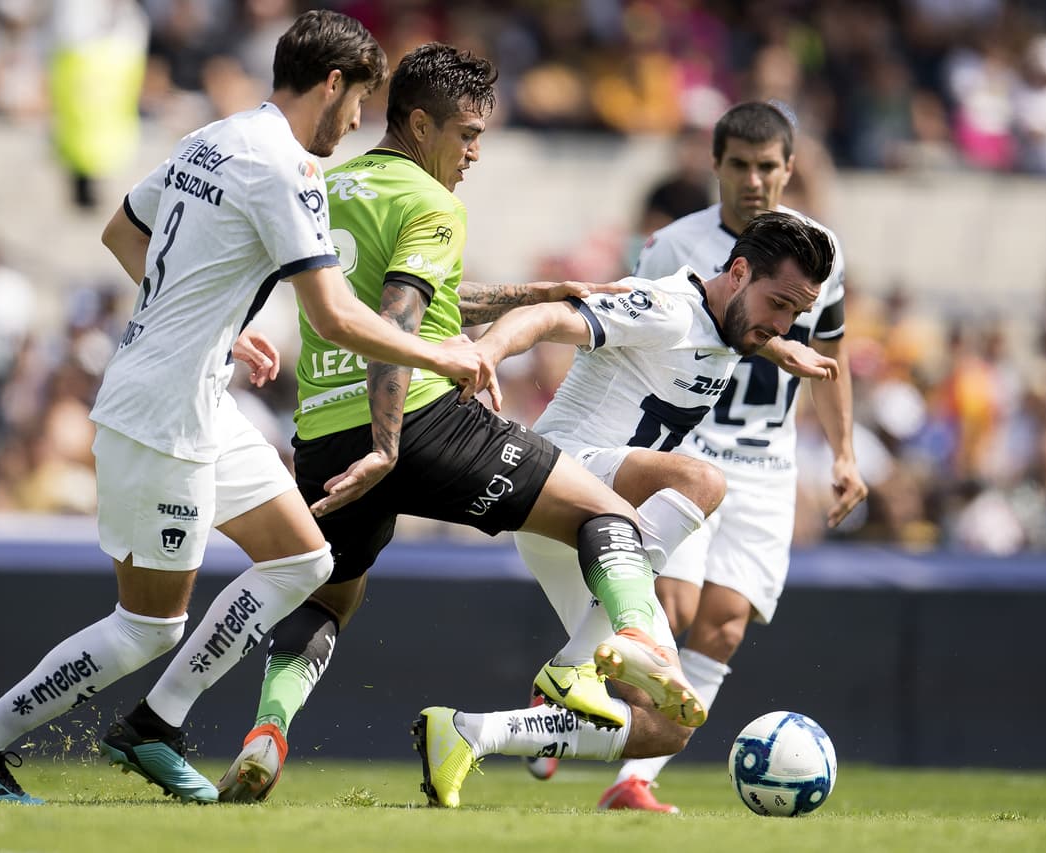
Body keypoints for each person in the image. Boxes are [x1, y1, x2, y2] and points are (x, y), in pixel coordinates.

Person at [0, 10, 498, 806]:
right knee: (148, 627)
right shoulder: (288, 168)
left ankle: (154, 727)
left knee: (305, 560)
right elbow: (335, 317)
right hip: (163, 412)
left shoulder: (213, 137)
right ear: (332, 85)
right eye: (359, 101)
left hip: (193, 390)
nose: (358, 121)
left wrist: (213, 325)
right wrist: (444, 354)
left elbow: (123, 234)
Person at [211, 42, 748, 806]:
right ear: (419, 124)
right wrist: (388, 444)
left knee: (328, 600)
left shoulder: (327, 187)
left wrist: (540, 290)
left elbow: (420, 300)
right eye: (466, 135)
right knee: (608, 513)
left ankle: (267, 732)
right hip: (418, 420)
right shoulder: (433, 203)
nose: (473, 154)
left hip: (323, 432)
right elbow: (400, 315)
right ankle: (617, 646)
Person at [414, 209, 838, 808]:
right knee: (702, 480)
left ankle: (468, 734)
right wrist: (489, 350)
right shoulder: (666, 307)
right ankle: (575, 664)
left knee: (669, 725)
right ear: (739, 272)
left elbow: (731, 331)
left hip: (593, 533)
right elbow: (548, 316)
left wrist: (782, 351)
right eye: (779, 305)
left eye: (796, 314)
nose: (783, 323)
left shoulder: (731, 325)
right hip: (560, 479)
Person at [548, 101, 867, 812]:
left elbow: (832, 352)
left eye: (767, 167)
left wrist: (843, 452)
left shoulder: (822, 253)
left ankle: (631, 777)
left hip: (768, 459)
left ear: (789, 169)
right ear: (715, 165)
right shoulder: (675, 245)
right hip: (691, 447)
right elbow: (630, 336)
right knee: (673, 606)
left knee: (724, 624)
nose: (754, 181)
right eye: (739, 165)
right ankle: (573, 685)